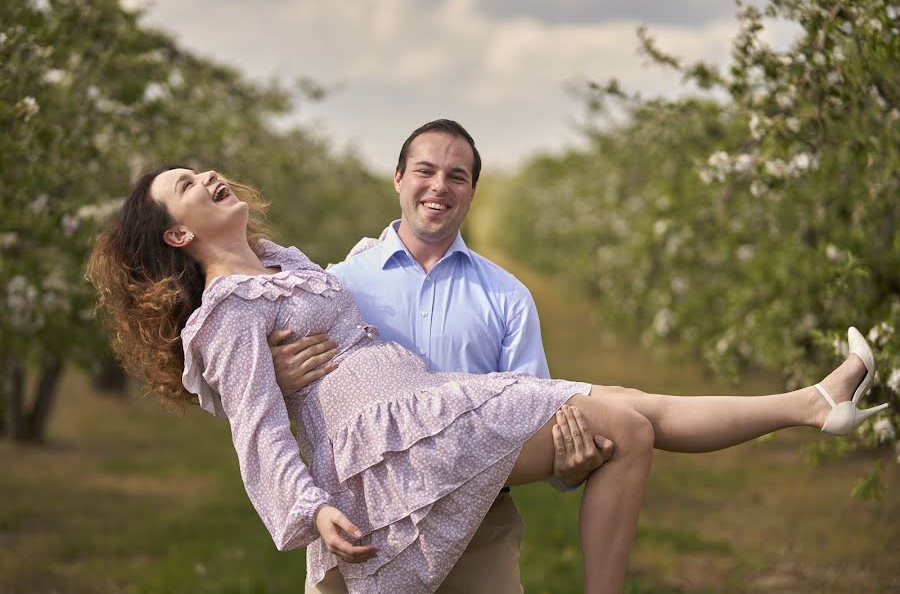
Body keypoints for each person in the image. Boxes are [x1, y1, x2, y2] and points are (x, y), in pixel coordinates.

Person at [86, 164, 888, 594]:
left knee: (630, 418)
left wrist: (263, 369)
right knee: (631, 419)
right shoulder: (225, 310)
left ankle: (815, 405)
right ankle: (815, 405)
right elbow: (253, 424)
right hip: (397, 436)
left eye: (200, 167)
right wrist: (310, 508)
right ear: (179, 230)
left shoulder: (293, 266)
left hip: (430, 403)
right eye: (185, 185)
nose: (206, 175)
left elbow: (250, 376)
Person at [266, 119, 607, 594]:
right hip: (360, 524)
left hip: (479, 531)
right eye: (425, 171)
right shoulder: (336, 286)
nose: (439, 187)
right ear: (398, 178)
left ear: (472, 191)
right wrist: (277, 377)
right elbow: (262, 401)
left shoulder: (507, 297)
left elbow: (535, 418)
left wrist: (567, 467)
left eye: (456, 176)